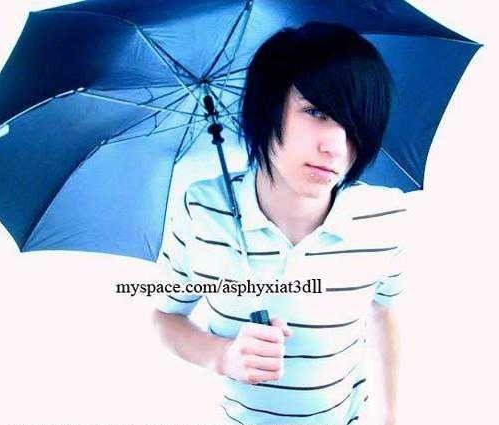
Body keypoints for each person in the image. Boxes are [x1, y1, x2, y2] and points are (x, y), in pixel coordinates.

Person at [153, 21, 407, 425]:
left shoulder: (383, 216)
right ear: (269, 108)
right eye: (317, 112)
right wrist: (223, 355)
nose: (335, 146)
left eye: (354, 124)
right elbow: (166, 316)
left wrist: (391, 417)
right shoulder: (203, 208)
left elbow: (385, 312)